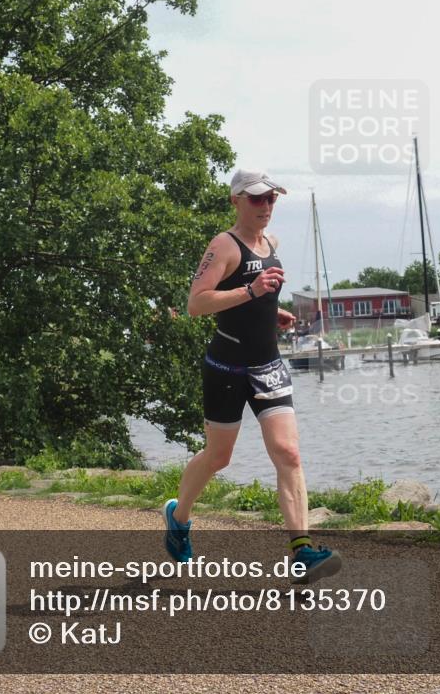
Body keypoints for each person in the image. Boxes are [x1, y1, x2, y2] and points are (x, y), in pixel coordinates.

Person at [162, 168, 341, 584]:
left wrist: (268, 311)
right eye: (257, 199)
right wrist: (253, 293)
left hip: (269, 366)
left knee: (289, 453)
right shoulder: (223, 245)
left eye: (272, 199)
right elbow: (197, 303)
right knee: (218, 457)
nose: (266, 206)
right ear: (236, 201)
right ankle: (179, 517)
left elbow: (253, 297)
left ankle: (301, 552)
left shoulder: (271, 243)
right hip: (226, 368)